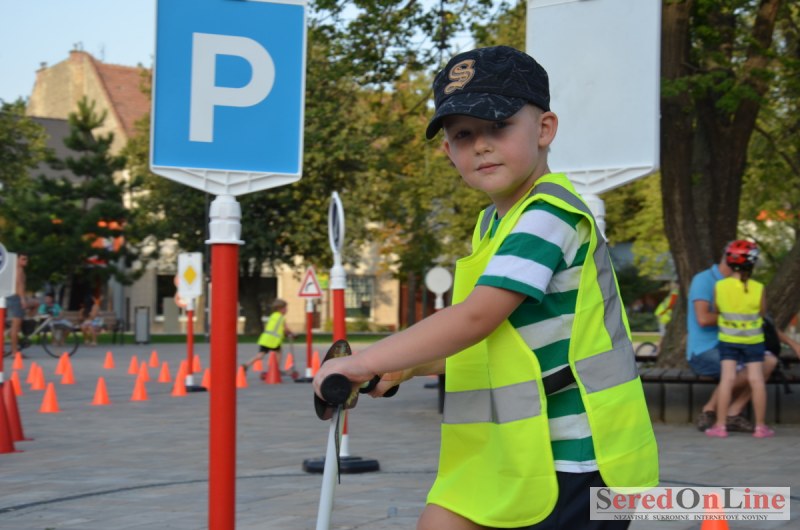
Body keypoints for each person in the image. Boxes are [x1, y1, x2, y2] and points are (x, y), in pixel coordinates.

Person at [313, 46, 658, 529]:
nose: (480, 145)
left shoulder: (549, 215)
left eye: (498, 126)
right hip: (513, 449)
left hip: (577, 454)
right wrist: (407, 367)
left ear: (544, 129)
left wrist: (367, 360)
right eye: (463, 134)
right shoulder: (492, 225)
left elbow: (477, 317)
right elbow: (494, 344)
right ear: (447, 151)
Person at [687, 242, 779, 432]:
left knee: (769, 362)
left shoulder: (745, 286)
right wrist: (739, 316)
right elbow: (703, 319)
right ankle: (709, 410)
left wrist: (792, 343)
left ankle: (732, 413)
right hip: (706, 349)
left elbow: (762, 320)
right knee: (746, 371)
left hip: (737, 341)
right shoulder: (705, 281)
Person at [242, 298, 294, 378]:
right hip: (273, 340)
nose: (286, 310)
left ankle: (246, 365)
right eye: (285, 308)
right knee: (278, 353)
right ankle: (275, 369)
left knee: (260, 355)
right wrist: (292, 334)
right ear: (280, 309)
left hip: (265, 339)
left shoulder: (273, 316)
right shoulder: (281, 318)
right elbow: (286, 329)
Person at [7, 254, 29, 356]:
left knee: (35, 303)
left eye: (26, 259)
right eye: (23, 259)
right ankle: (14, 352)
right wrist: (23, 299)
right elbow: (19, 286)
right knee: (15, 327)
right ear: (17, 260)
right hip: (16, 298)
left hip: (14, 298)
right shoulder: (18, 270)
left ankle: (22, 328)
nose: (26, 261)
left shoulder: (16, 270)